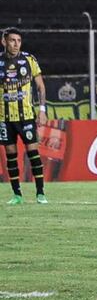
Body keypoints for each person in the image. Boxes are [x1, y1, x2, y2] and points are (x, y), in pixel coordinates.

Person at [0, 28, 48, 204]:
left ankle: (40, 193)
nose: (16, 44)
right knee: (11, 155)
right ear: (4, 41)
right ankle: (17, 195)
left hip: (26, 115)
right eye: (12, 40)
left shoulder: (29, 59)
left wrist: (42, 110)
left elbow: (41, 86)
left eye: (19, 40)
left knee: (33, 152)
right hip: (4, 118)